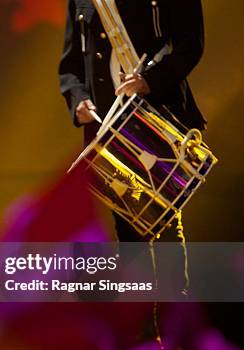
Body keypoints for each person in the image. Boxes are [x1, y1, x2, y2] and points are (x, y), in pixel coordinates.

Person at [58, 0, 205, 244]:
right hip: (109, 122)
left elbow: (191, 45)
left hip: (157, 115)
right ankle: (137, 284)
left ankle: (173, 284)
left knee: (164, 223)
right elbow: (71, 65)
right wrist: (78, 99)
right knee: (126, 227)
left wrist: (149, 81)